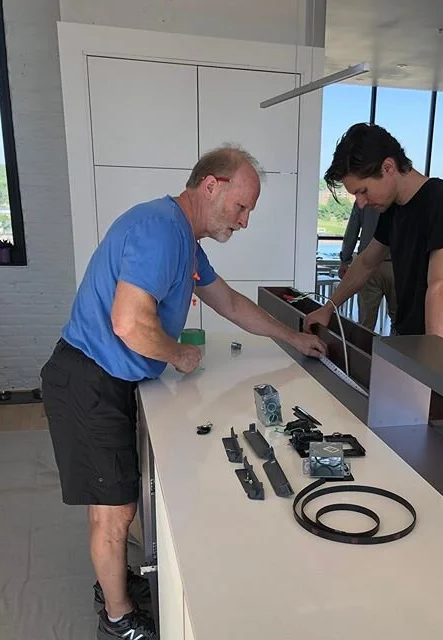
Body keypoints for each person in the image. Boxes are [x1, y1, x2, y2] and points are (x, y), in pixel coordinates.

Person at [40, 145, 326, 640]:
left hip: (104, 378)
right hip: (87, 380)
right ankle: (118, 619)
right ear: (210, 185)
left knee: (114, 503)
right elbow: (129, 323)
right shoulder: (160, 230)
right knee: (114, 510)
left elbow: (231, 303)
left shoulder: (185, 242)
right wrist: (178, 354)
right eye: (241, 206)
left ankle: (112, 587)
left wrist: (294, 337)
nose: (244, 221)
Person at [305, 123, 443, 343]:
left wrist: (433, 357)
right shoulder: (394, 209)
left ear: (388, 167)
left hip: (441, 344)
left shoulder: (441, 201)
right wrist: (328, 308)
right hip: (406, 339)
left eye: (363, 191)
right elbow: (366, 262)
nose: (362, 203)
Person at [339, 202, 397, 332]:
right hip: (397, 266)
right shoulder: (402, 197)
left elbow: (352, 230)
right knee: (399, 321)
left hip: (368, 265)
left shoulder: (365, 198)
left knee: (365, 323)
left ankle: (363, 351)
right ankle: (394, 351)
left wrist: (345, 259)